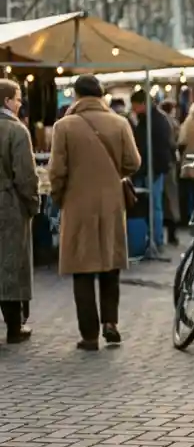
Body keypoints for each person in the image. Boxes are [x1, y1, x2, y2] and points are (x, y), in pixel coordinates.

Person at [49, 75, 141, 351]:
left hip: (78, 205)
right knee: (110, 267)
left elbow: (56, 171)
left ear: (76, 95)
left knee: (83, 269)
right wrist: (114, 177)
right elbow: (133, 162)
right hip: (112, 203)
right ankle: (110, 322)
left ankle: (89, 335)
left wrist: (59, 196)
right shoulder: (119, 122)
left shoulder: (64, 126)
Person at [0, 79, 39, 344]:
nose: (20, 102)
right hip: (9, 205)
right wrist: (33, 203)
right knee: (11, 265)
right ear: (6, 101)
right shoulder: (16, 131)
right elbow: (25, 175)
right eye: (17, 98)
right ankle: (15, 328)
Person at [129, 90, 174, 249]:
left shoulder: (153, 121)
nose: (133, 110)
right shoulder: (152, 119)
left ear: (142, 104)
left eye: (134, 106)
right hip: (150, 168)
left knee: (154, 205)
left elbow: (156, 148)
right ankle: (154, 239)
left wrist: (151, 169)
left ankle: (156, 240)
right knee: (153, 205)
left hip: (152, 169)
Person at [159, 100, 182, 246]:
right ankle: (172, 234)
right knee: (171, 198)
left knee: (165, 199)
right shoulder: (171, 122)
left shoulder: (164, 120)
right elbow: (174, 142)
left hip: (164, 163)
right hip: (169, 163)